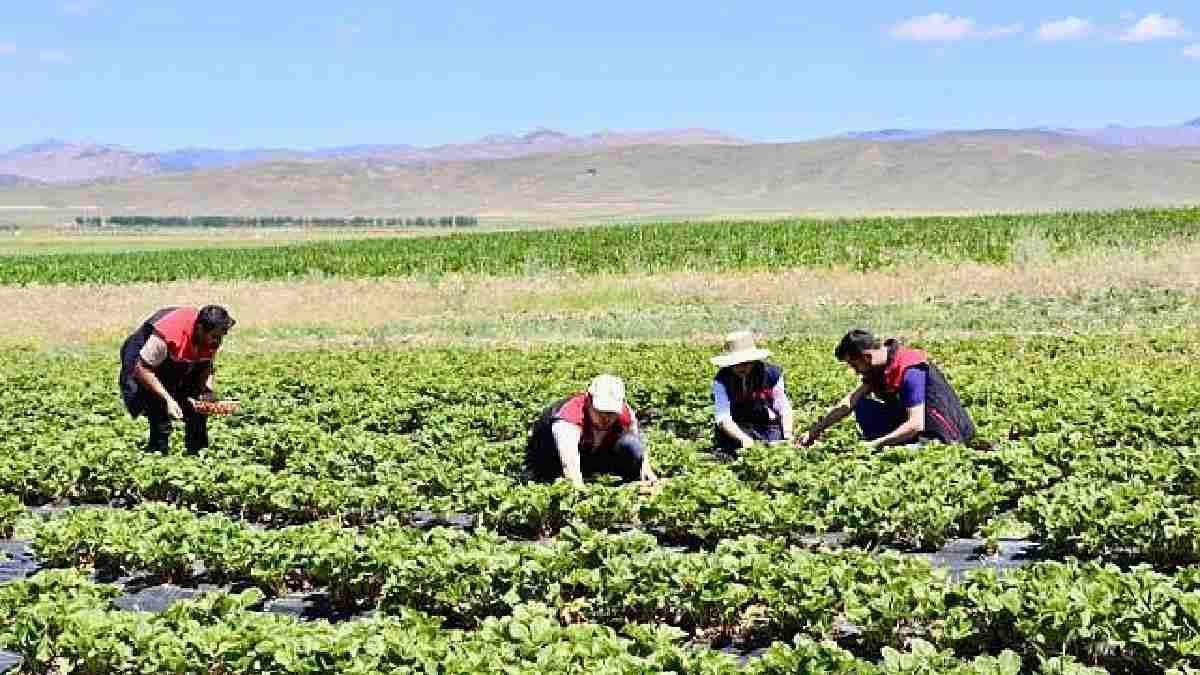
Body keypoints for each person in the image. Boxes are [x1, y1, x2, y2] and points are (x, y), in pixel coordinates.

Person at [798, 329, 975, 449]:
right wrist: (815, 430)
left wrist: (875, 445)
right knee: (863, 406)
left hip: (942, 434)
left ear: (866, 357)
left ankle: (898, 445)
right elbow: (850, 401)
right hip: (914, 426)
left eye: (854, 364)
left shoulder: (909, 368)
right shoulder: (879, 366)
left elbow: (915, 424)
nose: (854, 370)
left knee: (909, 452)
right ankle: (894, 443)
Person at [118, 305, 235, 453]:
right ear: (199, 329)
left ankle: (198, 455)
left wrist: (207, 391)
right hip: (143, 359)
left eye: (221, 337)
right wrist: (168, 399)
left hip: (172, 358)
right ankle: (157, 455)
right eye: (215, 337)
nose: (218, 342)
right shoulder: (168, 336)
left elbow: (206, 365)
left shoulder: (211, 338)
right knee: (157, 407)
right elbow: (142, 369)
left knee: (196, 407)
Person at [524, 374, 660, 487]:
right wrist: (579, 493)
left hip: (590, 452)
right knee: (546, 479)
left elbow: (637, 442)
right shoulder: (568, 420)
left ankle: (620, 481)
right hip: (549, 458)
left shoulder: (626, 413)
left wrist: (645, 468)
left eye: (611, 412)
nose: (606, 418)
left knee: (630, 444)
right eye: (601, 411)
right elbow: (569, 463)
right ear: (588, 400)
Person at [710, 330, 794, 455]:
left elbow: (783, 407)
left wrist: (787, 434)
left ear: (753, 360)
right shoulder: (722, 380)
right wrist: (744, 440)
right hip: (736, 427)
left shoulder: (771, 374)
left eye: (746, 363)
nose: (741, 367)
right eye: (736, 364)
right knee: (729, 450)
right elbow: (723, 417)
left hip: (766, 425)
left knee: (776, 449)